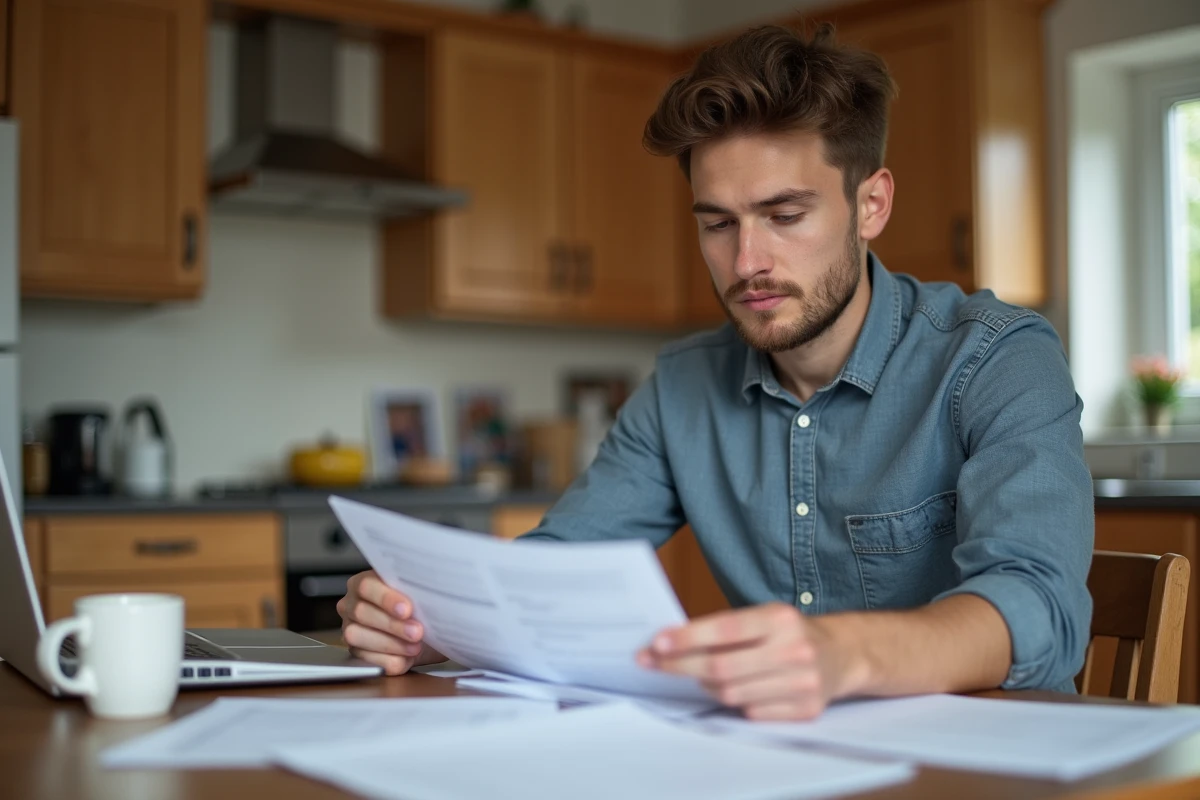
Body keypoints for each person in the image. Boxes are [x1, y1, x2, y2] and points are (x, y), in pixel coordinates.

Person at [337, 23, 1093, 721]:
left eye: (785, 216)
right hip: (786, 761)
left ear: (871, 205)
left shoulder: (996, 358)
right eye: (718, 223)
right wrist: (427, 624)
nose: (748, 262)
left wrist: (843, 655)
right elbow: (552, 576)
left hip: (992, 763)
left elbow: (1037, 604)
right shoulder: (681, 388)